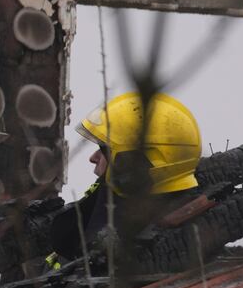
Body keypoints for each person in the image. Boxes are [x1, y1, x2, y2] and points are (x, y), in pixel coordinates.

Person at [46, 90, 202, 262]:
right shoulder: (90, 223)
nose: (93, 158)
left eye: (104, 150)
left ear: (135, 165)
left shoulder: (142, 251)